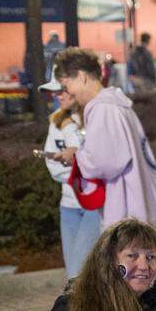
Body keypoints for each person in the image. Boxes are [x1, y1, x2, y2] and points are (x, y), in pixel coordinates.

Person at [51, 48, 156, 229]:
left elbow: (105, 162)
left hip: (129, 211)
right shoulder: (115, 104)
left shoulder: (103, 109)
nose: (67, 93)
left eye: (66, 85)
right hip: (141, 203)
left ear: (81, 76)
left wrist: (76, 156)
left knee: (125, 258)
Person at [37, 83, 101, 277]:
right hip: (69, 205)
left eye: (62, 90)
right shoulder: (56, 120)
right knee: (73, 274)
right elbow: (54, 168)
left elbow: (101, 164)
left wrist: (75, 160)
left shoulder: (96, 117)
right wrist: (77, 172)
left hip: (94, 204)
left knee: (79, 271)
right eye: (55, 92)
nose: (58, 96)